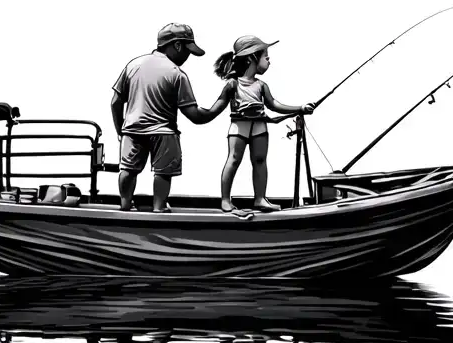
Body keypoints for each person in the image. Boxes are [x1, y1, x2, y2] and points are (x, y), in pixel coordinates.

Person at [110, 23, 227, 212]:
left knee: (128, 169)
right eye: (188, 50)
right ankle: (159, 207)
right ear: (177, 45)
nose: (188, 56)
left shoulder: (133, 65)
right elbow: (196, 116)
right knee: (163, 172)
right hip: (164, 133)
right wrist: (222, 101)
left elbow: (115, 102)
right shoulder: (176, 74)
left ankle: (124, 205)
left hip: (131, 130)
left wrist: (120, 131)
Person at [211, 35, 315, 212]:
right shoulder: (233, 84)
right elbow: (217, 106)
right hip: (239, 127)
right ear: (252, 58)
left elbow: (274, 105)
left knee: (260, 161)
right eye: (265, 56)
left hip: (259, 127)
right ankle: (225, 200)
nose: (269, 60)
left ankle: (260, 198)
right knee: (234, 160)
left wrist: (300, 108)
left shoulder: (261, 85)